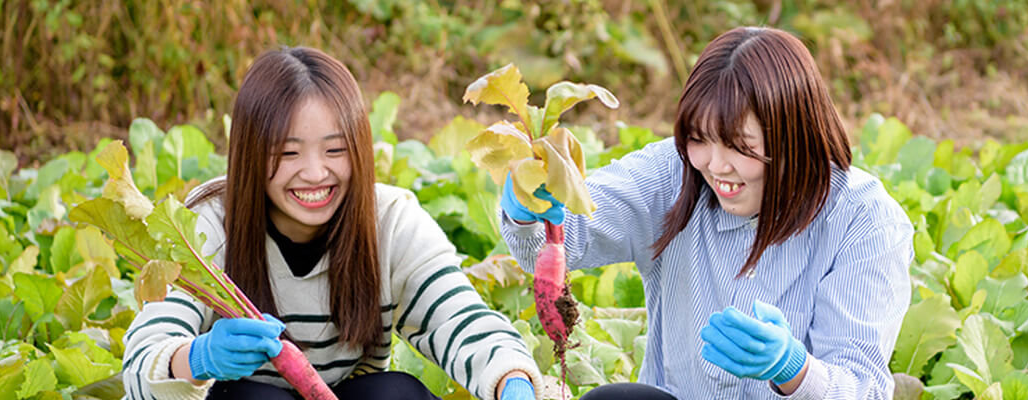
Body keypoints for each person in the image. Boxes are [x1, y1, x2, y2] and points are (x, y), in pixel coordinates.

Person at [499, 27, 913, 399]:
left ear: (793, 135)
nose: (716, 165)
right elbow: (570, 233)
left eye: (739, 145)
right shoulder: (673, 172)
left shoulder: (864, 219)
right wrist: (531, 212)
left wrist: (793, 369)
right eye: (699, 139)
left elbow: (864, 388)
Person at [121, 47, 541, 400]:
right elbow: (141, 362)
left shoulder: (391, 221)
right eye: (288, 154)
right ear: (249, 154)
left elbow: (461, 321)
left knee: (395, 393)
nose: (315, 173)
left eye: (335, 150)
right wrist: (197, 358)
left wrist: (512, 380)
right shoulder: (204, 228)